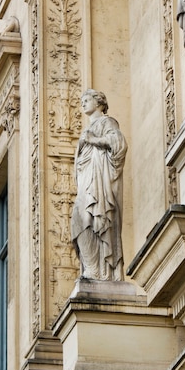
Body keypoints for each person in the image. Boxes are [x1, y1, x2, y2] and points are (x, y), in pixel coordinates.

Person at [71, 89, 127, 281]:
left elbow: (119, 143)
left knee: (92, 218)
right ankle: (91, 267)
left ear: (99, 102)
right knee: (78, 219)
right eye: (82, 101)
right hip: (87, 178)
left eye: (87, 100)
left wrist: (94, 140)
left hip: (100, 180)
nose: (83, 103)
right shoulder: (87, 128)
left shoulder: (107, 122)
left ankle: (100, 271)